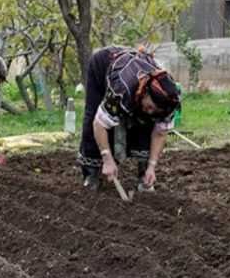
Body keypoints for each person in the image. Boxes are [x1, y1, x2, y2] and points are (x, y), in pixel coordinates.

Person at [77, 46, 181, 191]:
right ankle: (92, 173)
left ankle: (145, 175)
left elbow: (160, 133)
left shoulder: (170, 101)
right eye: (150, 106)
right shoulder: (121, 90)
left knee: (146, 122)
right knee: (93, 115)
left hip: (133, 68)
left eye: (156, 110)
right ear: (144, 93)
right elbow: (99, 124)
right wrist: (107, 158)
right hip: (104, 65)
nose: (151, 111)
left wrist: (152, 167)